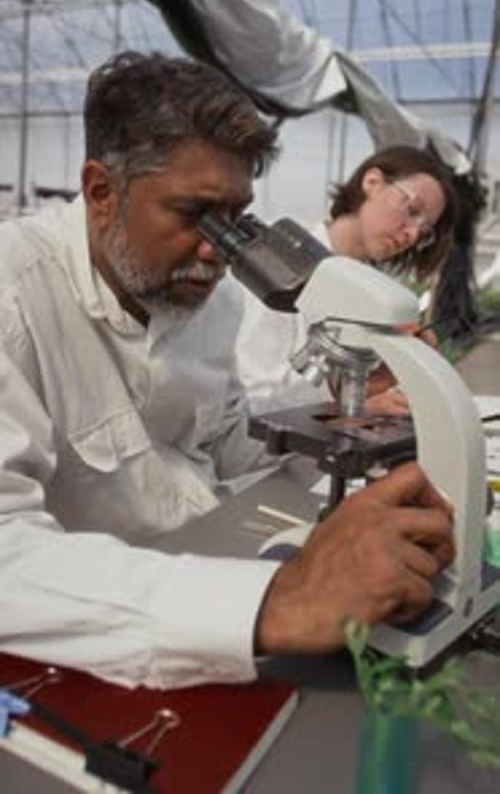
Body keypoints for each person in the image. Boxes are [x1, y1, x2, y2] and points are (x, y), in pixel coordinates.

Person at [0, 51, 454, 690]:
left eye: (236, 219)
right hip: (92, 644)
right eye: (195, 214)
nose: (218, 251)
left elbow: (227, 437)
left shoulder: (212, 301)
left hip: (214, 569)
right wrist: (279, 601)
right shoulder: (14, 298)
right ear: (102, 192)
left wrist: (344, 414)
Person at [236, 144, 457, 415]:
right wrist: (354, 405)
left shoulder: (373, 290)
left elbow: (343, 382)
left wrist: (391, 372)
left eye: (424, 231)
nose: (412, 234)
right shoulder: (283, 263)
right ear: (372, 182)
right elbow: (255, 396)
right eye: (412, 210)